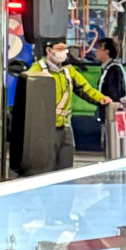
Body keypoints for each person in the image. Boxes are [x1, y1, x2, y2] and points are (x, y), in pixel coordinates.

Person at [41, 38, 110, 168]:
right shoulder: (37, 70)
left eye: (64, 49)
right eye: (59, 49)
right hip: (45, 127)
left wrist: (101, 98)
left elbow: (85, 89)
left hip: (65, 126)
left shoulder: (69, 70)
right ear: (48, 50)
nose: (63, 52)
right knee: (46, 166)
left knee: (66, 164)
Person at [92, 36, 126, 106]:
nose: (96, 52)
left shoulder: (114, 69)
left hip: (110, 109)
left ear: (107, 51)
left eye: (99, 48)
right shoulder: (108, 68)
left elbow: (114, 95)